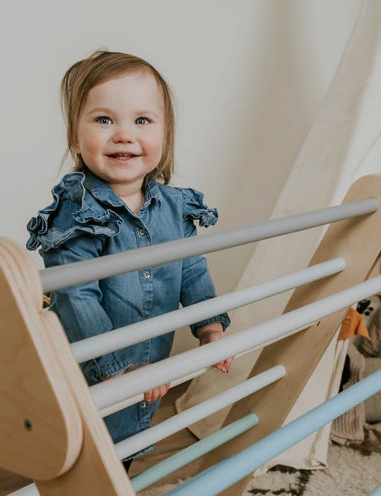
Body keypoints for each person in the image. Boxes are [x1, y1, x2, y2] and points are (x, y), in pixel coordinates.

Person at [25, 50, 233, 470]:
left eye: (142, 121)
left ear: (165, 135)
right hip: (97, 374)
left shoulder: (176, 207)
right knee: (90, 458)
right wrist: (119, 371)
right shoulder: (76, 214)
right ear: (74, 137)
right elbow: (75, 296)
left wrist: (209, 326)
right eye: (104, 120)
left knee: (125, 452)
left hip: (149, 367)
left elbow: (190, 268)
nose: (123, 134)